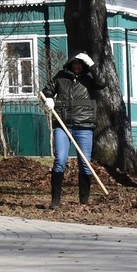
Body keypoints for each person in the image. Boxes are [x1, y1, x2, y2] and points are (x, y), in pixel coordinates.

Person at [44, 52, 101, 208]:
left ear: (84, 65)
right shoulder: (61, 77)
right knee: (60, 160)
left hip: (84, 126)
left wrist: (93, 65)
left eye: (80, 64)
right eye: (75, 63)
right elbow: (47, 90)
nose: (77, 66)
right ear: (70, 64)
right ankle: (55, 201)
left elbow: (102, 83)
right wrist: (48, 98)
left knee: (85, 163)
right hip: (63, 125)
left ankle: (84, 201)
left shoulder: (89, 79)